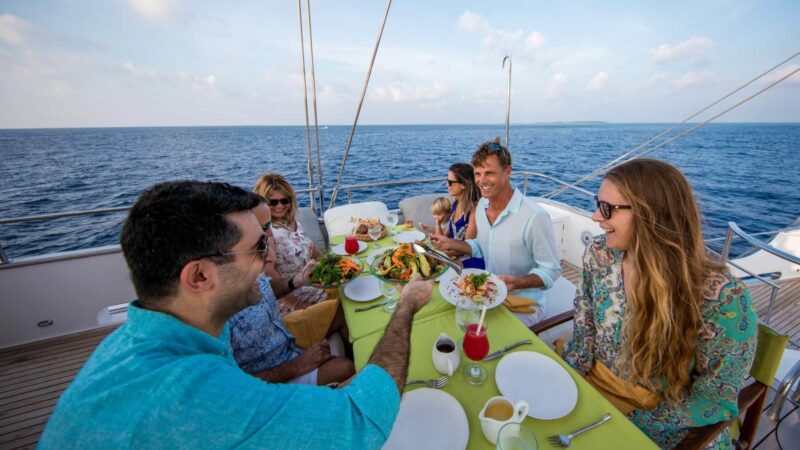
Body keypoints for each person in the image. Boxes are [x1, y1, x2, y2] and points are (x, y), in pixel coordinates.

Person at [39, 180, 434, 449]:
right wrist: (406, 306)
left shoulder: (134, 345)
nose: (270, 258)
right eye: (259, 247)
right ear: (199, 276)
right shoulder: (192, 395)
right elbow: (362, 419)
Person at [562, 159, 757, 449]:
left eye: (607, 208)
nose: (594, 217)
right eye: (597, 203)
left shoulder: (722, 300)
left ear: (651, 215)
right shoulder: (599, 254)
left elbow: (714, 398)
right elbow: (585, 315)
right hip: (597, 385)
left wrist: (631, 423)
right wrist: (571, 373)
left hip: (664, 424)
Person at [429, 139, 561, 325]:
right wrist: (451, 243)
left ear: (508, 172)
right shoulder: (482, 206)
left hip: (524, 304)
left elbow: (551, 270)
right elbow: (481, 245)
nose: (481, 181)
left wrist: (517, 283)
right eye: (478, 173)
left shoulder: (534, 216)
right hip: (488, 295)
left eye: (489, 173)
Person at [228, 198, 353, 385]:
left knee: (346, 308)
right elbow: (234, 385)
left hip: (286, 337)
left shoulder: (247, 263)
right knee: (347, 369)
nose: (270, 235)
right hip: (275, 371)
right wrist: (299, 365)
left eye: (269, 226)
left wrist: (297, 280)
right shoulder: (214, 314)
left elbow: (266, 289)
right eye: (263, 229)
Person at [253, 173, 327, 316]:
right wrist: (297, 305)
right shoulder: (268, 234)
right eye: (272, 202)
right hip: (293, 300)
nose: (280, 206)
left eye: (284, 200)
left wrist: (331, 264)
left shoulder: (292, 222)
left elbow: (311, 248)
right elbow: (270, 278)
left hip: (314, 286)